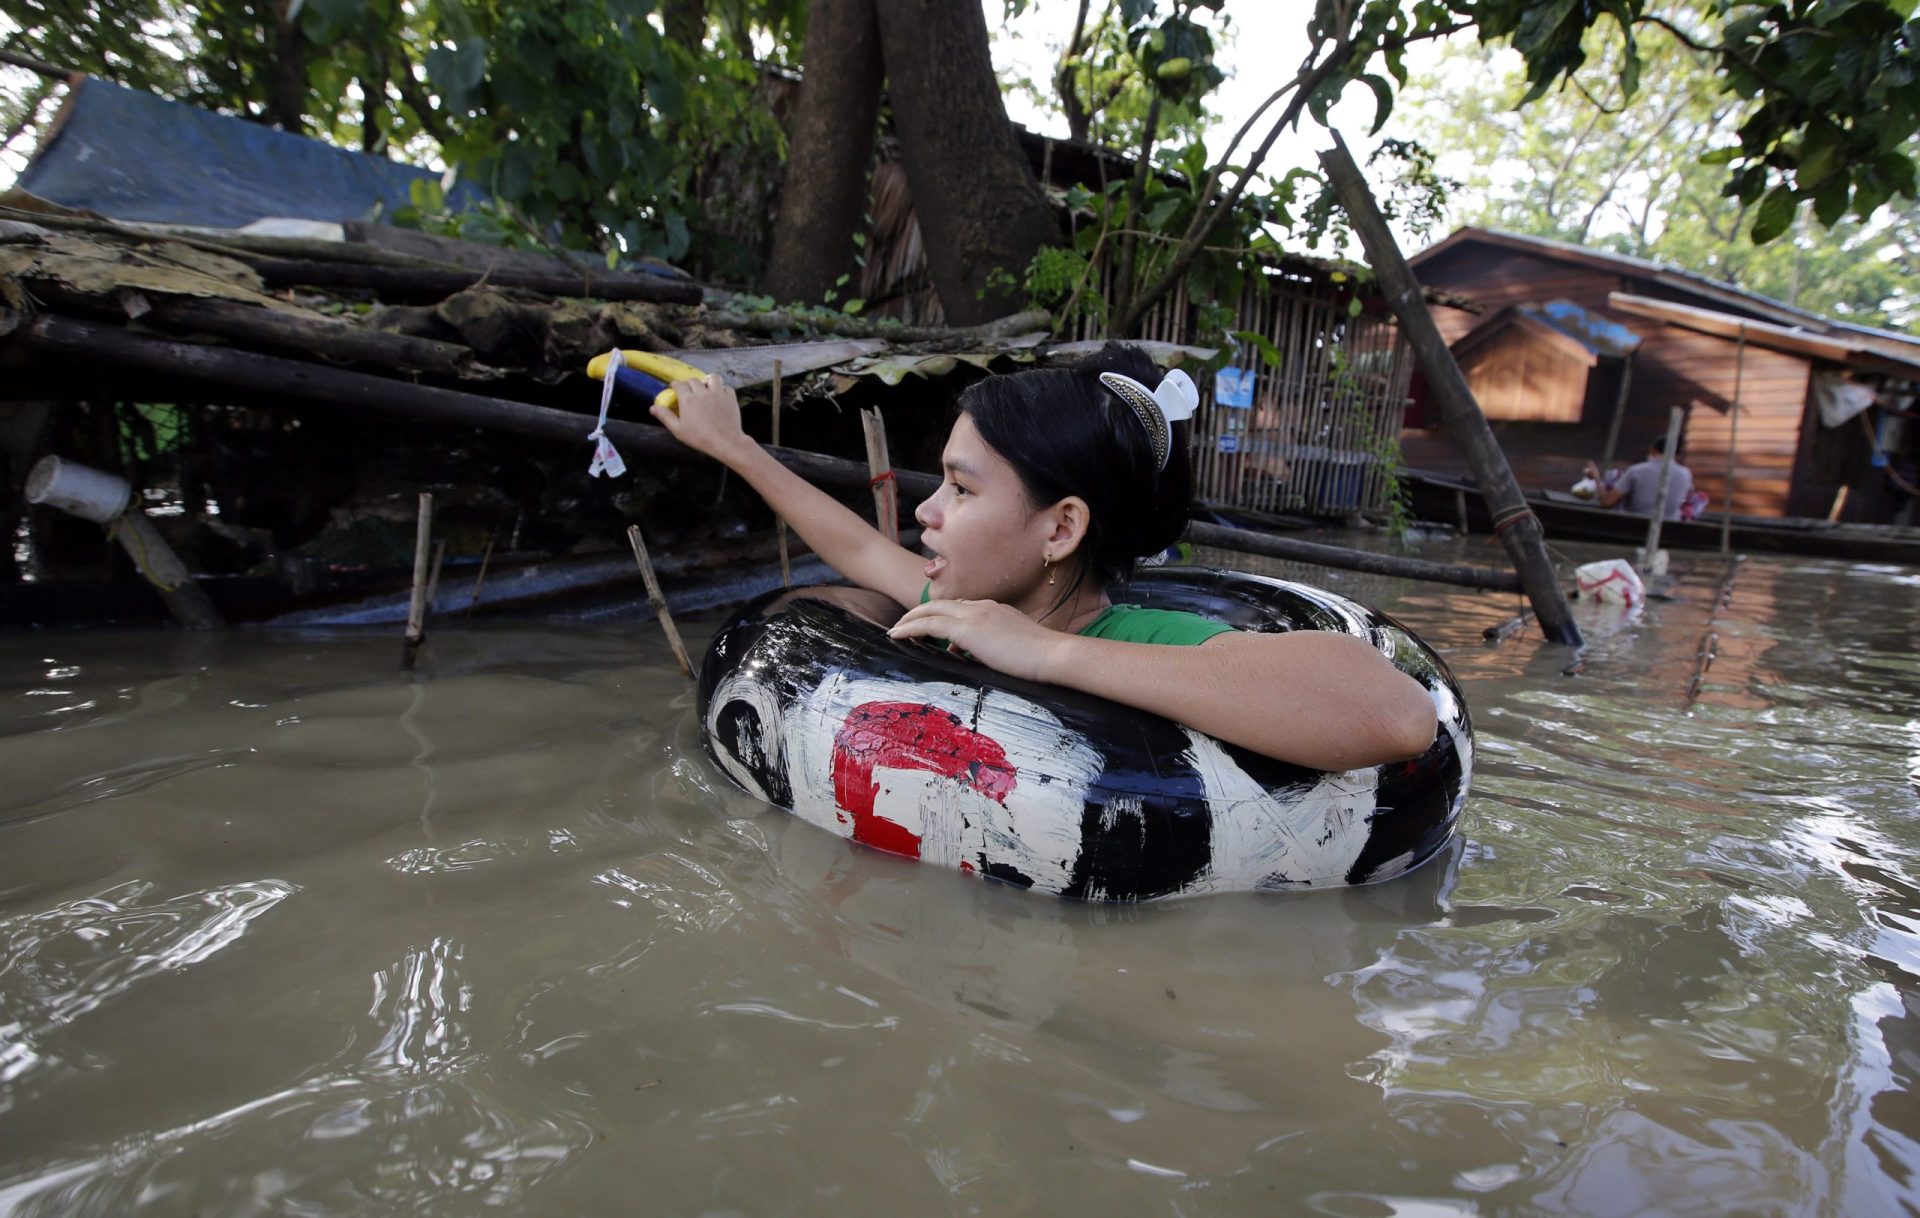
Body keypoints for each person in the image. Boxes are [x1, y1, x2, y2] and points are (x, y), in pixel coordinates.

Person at [651, 342, 1437, 772]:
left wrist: (1045, 653)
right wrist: (735, 447)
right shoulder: (956, 614)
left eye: (960, 490)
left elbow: (1397, 718)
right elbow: (859, 546)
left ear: (1060, 530)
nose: (925, 513)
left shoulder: (1149, 640)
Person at [1583, 435, 1694, 520]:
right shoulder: (1686, 474)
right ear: (1677, 455)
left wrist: (1596, 478)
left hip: (1637, 526)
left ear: (1653, 450)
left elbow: (1606, 503)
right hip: (1671, 529)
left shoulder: (1637, 470)